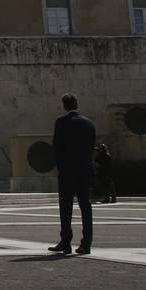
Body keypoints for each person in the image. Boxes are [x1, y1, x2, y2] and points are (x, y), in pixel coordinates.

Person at [49, 93, 95, 255]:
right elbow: (91, 147)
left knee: (65, 207)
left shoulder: (61, 123)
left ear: (64, 105)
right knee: (85, 207)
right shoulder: (88, 124)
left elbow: (57, 147)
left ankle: (65, 242)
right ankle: (86, 244)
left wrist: (60, 167)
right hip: (84, 170)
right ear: (77, 104)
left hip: (67, 171)